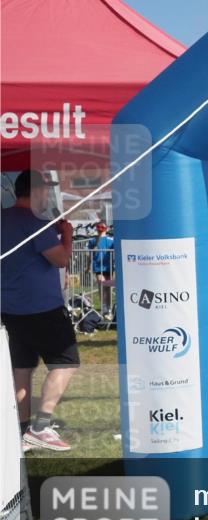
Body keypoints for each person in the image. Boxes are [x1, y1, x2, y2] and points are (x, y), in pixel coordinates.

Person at [0, 170, 77, 451]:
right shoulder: (36, 222)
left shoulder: (4, 219)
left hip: (9, 309)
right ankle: (40, 427)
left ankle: (21, 432)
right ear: (35, 191)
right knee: (66, 363)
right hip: (41, 308)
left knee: (22, 368)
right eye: (46, 190)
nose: (48, 196)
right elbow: (60, 259)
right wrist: (67, 235)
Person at [87, 221, 114, 315]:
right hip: (98, 267)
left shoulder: (111, 241)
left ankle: (109, 307)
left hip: (108, 266)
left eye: (102, 227)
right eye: (99, 227)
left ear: (106, 229)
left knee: (108, 287)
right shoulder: (92, 241)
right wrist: (88, 266)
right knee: (102, 286)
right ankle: (104, 308)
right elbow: (89, 255)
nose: (100, 230)